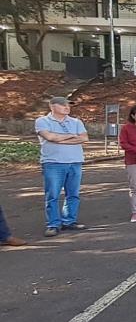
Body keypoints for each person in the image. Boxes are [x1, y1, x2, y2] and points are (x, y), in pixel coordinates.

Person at [35, 96, 89, 237]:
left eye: (68, 105)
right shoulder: (42, 121)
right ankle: (53, 224)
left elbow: (84, 138)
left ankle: (69, 220)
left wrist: (60, 138)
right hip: (53, 162)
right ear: (53, 106)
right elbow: (50, 138)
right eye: (63, 105)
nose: (67, 107)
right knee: (52, 194)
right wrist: (71, 136)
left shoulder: (76, 121)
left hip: (75, 161)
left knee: (73, 194)